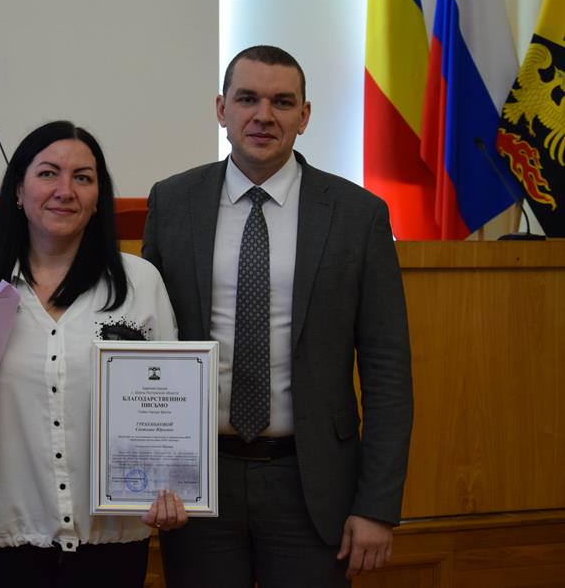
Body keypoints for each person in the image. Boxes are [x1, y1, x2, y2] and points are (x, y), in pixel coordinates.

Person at [142, 46, 413, 587]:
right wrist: (147, 472)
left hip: (312, 484)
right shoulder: (172, 202)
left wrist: (377, 505)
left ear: (304, 116)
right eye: (247, 99)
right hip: (198, 482)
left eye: (282, 102)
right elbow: (147, 341)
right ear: (221, 109)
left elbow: (387, 369)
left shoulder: (358, 215)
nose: (263, 115)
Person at [0, 120, 187, 588]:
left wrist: (172, 483)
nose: (65, 191)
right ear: (18, 190)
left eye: (82, 178)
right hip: (3, 535)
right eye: (48, 173)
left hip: (111, 538)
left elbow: (173, 402)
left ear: (98, 198)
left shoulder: (141, 283)